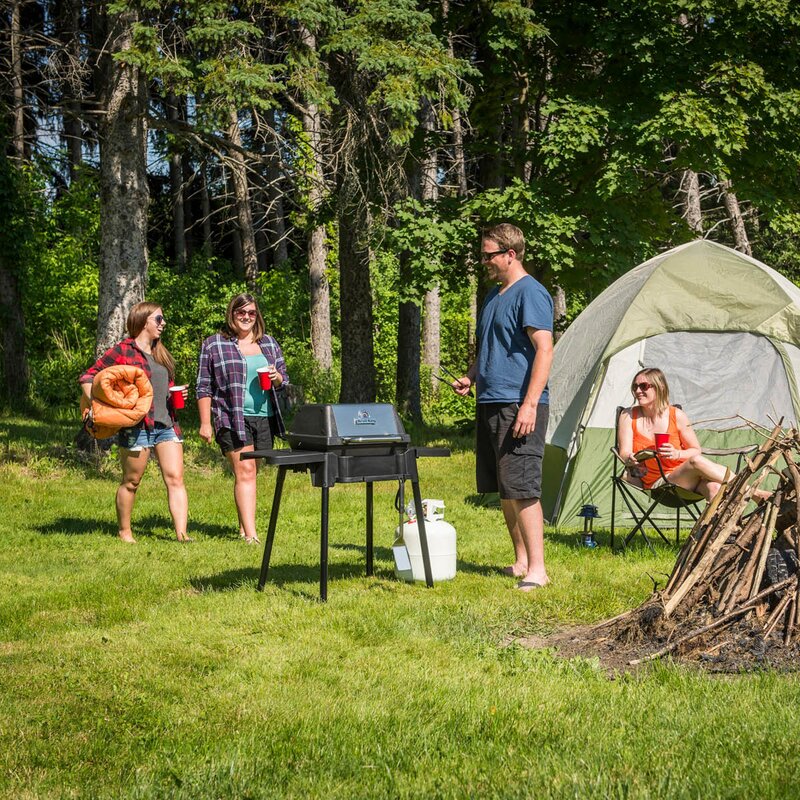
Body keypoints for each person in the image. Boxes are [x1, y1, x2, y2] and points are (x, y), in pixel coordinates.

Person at [453, 223, 554, 591]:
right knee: (506, 487)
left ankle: (539, 571)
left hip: (519, 403)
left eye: (489, 255)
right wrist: (472, 376)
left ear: (510, 254)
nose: (484, 261)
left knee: (523, 487)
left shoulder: (532, 293)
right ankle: (522, 560)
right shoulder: (494, 295)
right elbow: (489, 348)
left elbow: (544, 348)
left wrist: (529, 405)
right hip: (491, 401)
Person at [79, 302, 189, 543]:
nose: (163, 324)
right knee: (132, 481)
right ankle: (125, 532)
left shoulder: (161, 353)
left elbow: (160, 387)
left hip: (166, 424)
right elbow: (88, 377)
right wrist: (99, 404)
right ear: (143, 321)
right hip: (136, 427)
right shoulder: (123, 351)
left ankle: (182, 535)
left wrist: (174, 393)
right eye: (159, 319)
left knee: (175, 478)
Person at [196, 293, 288, 544]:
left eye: (251, 313)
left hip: (265, 417)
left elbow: (283, 382)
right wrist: (205, 423)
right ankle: (251, 535)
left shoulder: (268, 343)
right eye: (241, 312)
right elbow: (204, 387)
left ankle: (242, 525)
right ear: (232, 314)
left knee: (251, 472)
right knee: (245, 471)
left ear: (256, 316)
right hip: (231, 416)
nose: (246, 317)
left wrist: (276, 377)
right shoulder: (214, 344)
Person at [617, 367, 736, 501]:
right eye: (635, 387)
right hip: (660, 484)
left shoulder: (677, 415)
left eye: (644, 386)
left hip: (688, 478)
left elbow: (696, 450)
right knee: (695, 461)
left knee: (715, 488)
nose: (638, 391)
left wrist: (677, 454)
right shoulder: (628, 416)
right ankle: (750, 491)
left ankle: (717, 522)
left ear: (660, 387)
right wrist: (630, 458)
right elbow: (624, 453)